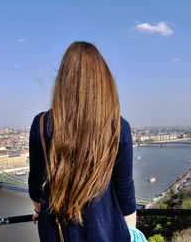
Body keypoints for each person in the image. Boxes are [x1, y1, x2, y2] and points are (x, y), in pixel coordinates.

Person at [29, 41, 136, 241]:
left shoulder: (42, 124)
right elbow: (125, 192)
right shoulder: (119, 127)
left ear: (63, 80)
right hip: (107, 233)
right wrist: (131, 231)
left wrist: (39, 209)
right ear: (104, 81)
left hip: (58, 232)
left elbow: (35, 184)